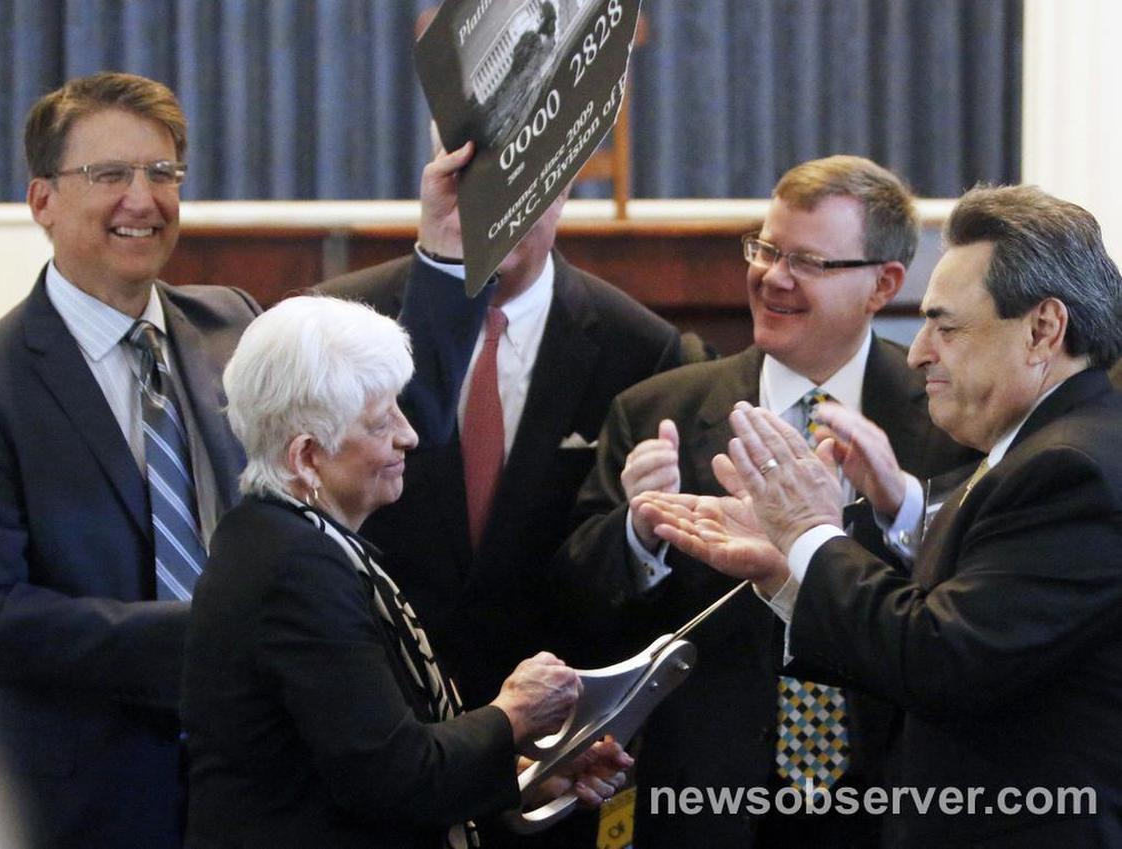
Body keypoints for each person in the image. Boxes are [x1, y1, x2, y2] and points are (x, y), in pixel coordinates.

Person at [641, 184, 1122, 847]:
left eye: (945, 325)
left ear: (1043, 329)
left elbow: (940, 657)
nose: (921, 350)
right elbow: (939, 622)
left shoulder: (1071, 467)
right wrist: (789, 574)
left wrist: (812, 533)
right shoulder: (1045, 447)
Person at [551, 155, 979, 847]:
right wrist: (638, 532)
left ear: (884, 284)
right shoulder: (660, 409)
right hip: (708, 797)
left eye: (807, 260)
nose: (772, 276)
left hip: (895, 795)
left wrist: (903, 511)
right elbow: (574, 601)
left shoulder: (947, 418)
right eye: (766, 249)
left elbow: (973, 603)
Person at [181, 296, 631, 848]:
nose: (408, 435)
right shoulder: (294, 566)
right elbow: (394, 777)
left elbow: (371, 762)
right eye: (379, 421)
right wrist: (513, 713)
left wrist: (526, 776)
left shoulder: (293, 542)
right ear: (306, 457)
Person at [0, 72, 259, 848]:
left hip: (257, 788)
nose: (143, 199)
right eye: (110, 175)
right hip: (90, 802)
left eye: (162, 173)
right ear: (43, 201)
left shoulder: (235, 325)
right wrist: (206, 635)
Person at [318, 142, 688, 708]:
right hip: (374, 699)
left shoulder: (639, 347)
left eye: (522, 184)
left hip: (555, 714)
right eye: (478, 182)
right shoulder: (341, 319)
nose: (499, 208)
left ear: (563, 187)